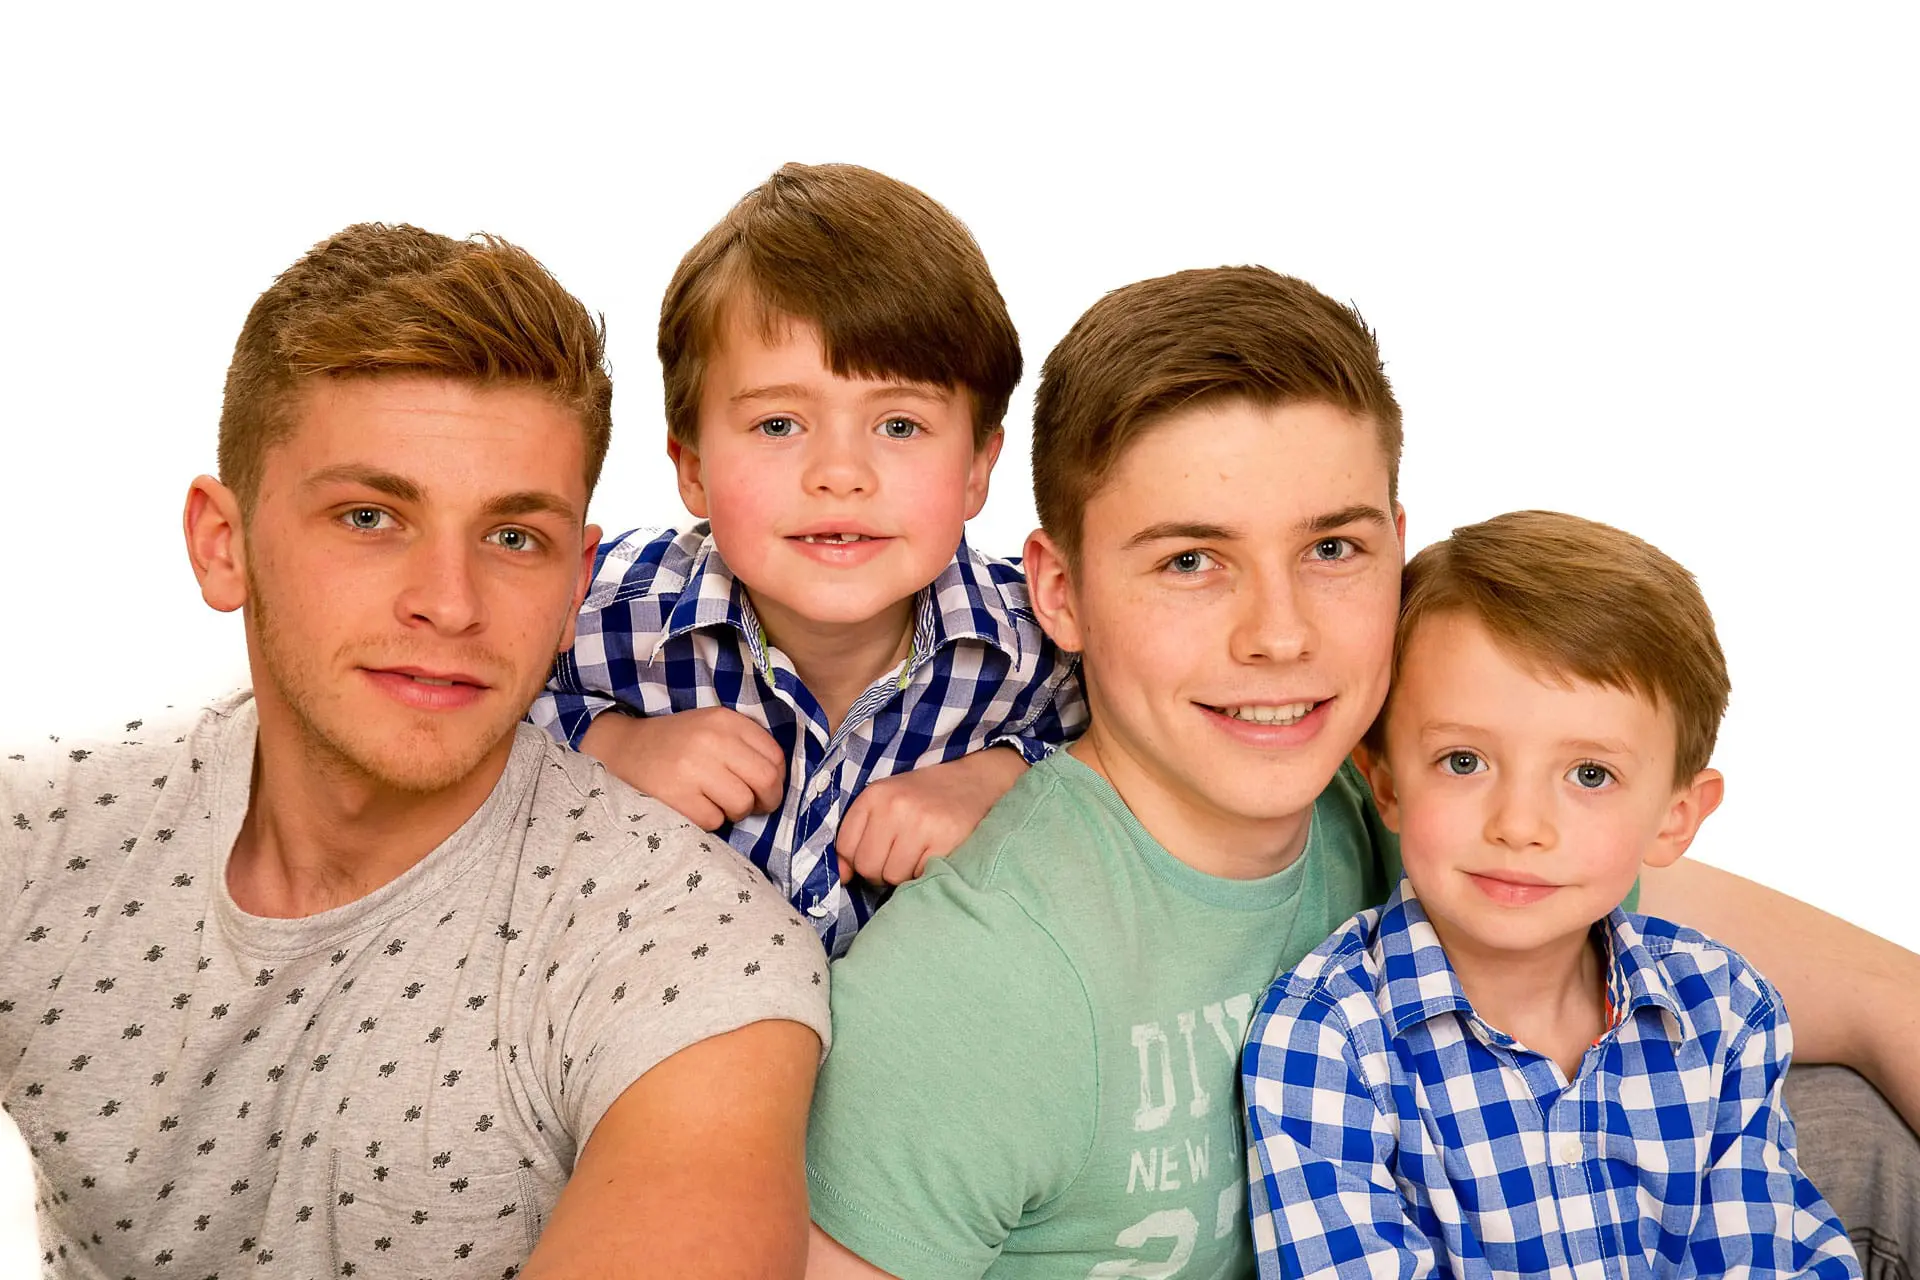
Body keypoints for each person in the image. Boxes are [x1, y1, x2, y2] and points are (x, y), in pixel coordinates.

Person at [803, 266, 1919, 1279]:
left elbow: (1882, 999)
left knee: (1849, 1128)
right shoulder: (978, 987)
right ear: (1060, 593)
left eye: (1331, 549)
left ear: (1396, 541)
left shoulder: (1432, 813)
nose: (1280, 635)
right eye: (1192, 560)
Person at [0, 223, 831, 1278]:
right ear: (224, 542)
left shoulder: (695, 952)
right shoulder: (38, 840)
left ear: (579, 578)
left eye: (513, 536)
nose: (448, 602)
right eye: (369, 515)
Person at [1242, 510, 1859, 1279]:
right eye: (1464, 761)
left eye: (1589, 775)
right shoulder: (1329, 1037)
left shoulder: (1724, 1009)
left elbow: (1765, 1257)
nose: (1520, 826)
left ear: (1675, 819)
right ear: (1388, 786)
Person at [529, 163, 1086, 956]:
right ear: (691, 466)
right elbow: (468, 704)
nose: (839, 473)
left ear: (976, 469)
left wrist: (1004, 778)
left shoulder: (1045, 643)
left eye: (898, 425)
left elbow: (1146, 749)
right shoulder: (609, 614)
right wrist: (610, 745)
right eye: (779, 425)